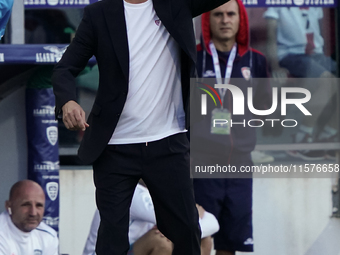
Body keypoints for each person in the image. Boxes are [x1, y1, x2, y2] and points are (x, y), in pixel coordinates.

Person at [52, 0, 229, 254]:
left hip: (167, 141)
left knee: (187, 231)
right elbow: (65, 69)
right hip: (114, 146)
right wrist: (67, 101)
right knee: (111, 238)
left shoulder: (175, 4)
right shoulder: (99, 14)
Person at [191, 0, 271, 254]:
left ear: (241, 19)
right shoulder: (193, 58)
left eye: (230, 14)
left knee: (233, 241)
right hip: (202, 164)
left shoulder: (256, 61)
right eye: (218, 14)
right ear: (207, 20)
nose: (225, 20)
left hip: (239, 165)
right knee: (200, 237)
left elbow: (264, 106)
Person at [264, 7, 337, 160]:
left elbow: (320, 32)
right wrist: (275, 65)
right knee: (327, 81)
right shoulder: (278, 4)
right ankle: (302, 136)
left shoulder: (315, 3)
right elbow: (270, 35)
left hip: (316, 54)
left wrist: (323, 57)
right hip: (292, 54)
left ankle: (328, 135)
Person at [83, 183, 220, 255]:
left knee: (203, 240)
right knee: (161, 241)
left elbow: (214, 223)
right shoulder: (134, 193)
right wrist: (192, 214)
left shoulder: (165, 194)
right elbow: (177, 222)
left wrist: (179, 228)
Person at [0, 180, 59, 255]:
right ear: (8, 206)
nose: (33, 213)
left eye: (39, 205)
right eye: (26, 204)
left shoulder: (48, 236)